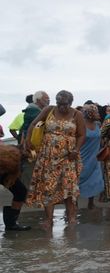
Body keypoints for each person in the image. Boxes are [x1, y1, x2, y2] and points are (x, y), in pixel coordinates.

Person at [24, 90, 85, 227]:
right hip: (48, 156)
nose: (61, 107)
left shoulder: (77, 114)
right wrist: (28, 138)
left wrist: (76, 150)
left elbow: (81, 134)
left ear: (70, 103)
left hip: (68, 156)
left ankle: (71, 218)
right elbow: (35, 124)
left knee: (69, 187)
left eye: (64, 104)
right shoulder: (49, 110)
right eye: (58, 103)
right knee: (48, 186)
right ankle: (48, 219)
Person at [19, 91, 49, 189]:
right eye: (46, 98)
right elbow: (34, 126)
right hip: (32, 144)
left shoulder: (36, 109)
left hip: (34, 143)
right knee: (30, 165)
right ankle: (26, 192)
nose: (48, 100)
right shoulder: (33, 110)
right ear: (38, 99)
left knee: (32, 166)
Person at [78, 104, 104, 209]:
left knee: (94, 179)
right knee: (78, 180)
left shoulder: (98, 124)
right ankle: (73, 204)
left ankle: (91, 203)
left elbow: (100, 139)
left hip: (95, 157)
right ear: (89, 114)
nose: (98, 114)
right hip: (82, 156)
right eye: (96, 112)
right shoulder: (80, 125)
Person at [0, 145, 31, 230]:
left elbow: (13, 175)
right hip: (3, 164)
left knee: (20, 191)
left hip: (7, 169)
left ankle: (11, 224)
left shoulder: (13, 163)